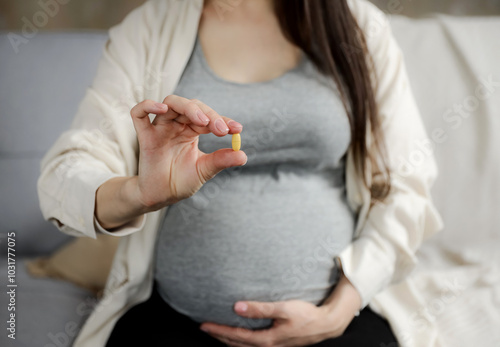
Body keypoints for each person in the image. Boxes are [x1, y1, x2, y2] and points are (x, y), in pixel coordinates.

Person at [37, 0, 443, 346]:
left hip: (339, 321)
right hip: (173, 319)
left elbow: (406, 185)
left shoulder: (359, 24)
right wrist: (142, 193)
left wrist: (341, 309)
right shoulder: (149, 27)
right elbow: (68, 172)